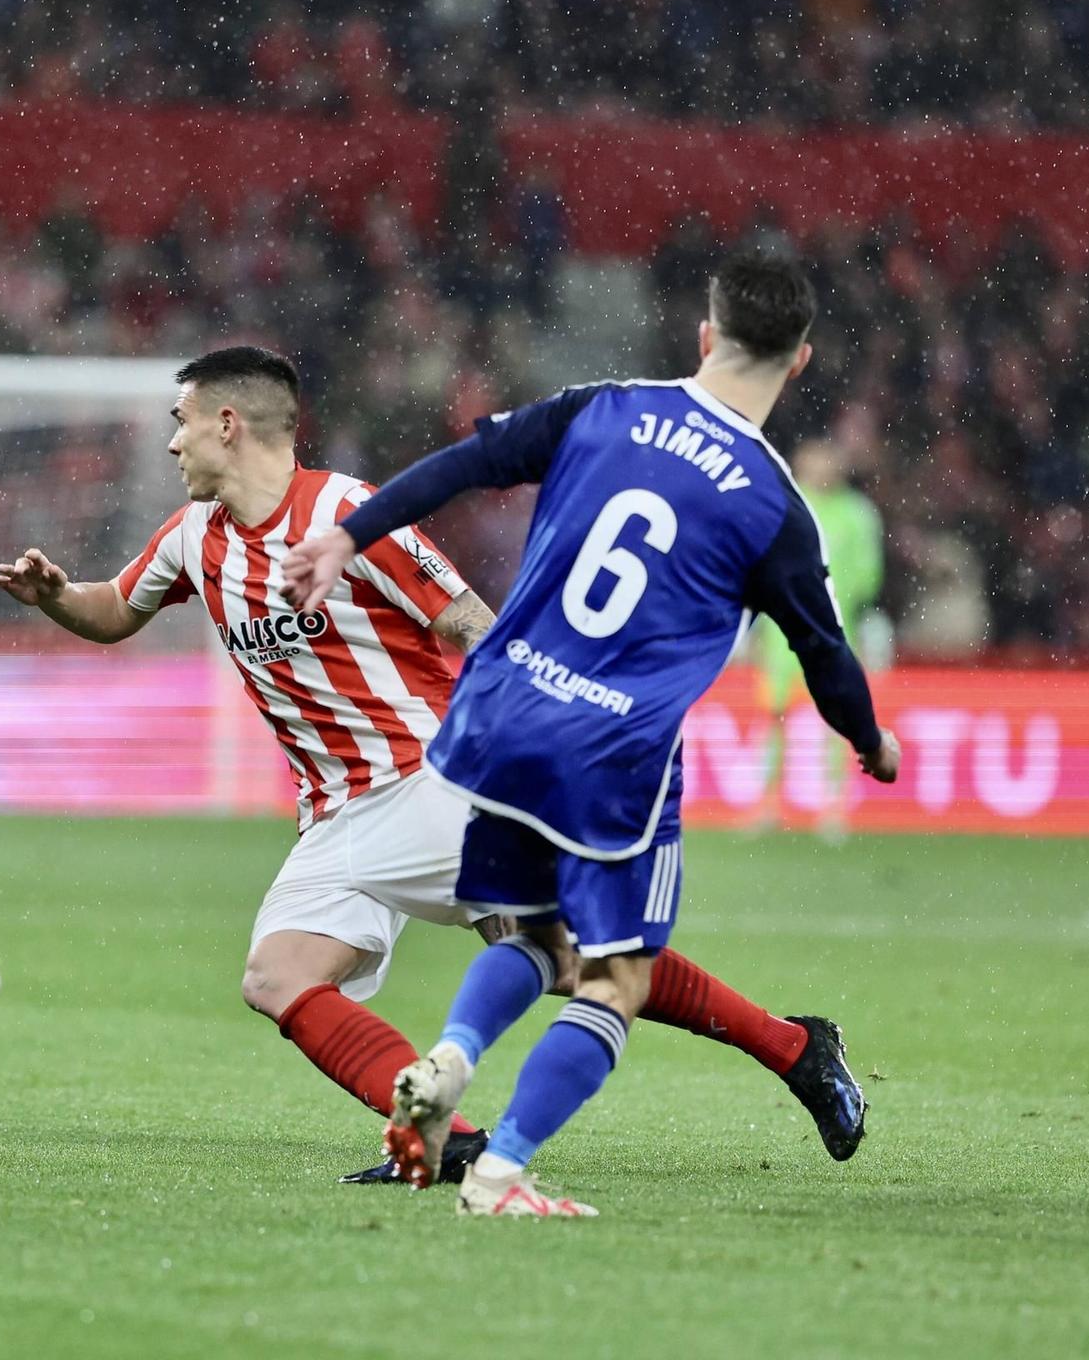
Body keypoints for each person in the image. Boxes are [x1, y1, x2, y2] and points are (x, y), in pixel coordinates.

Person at [0, 344, 870, 1184]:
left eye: (180, 420)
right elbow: (114, 610)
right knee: (277, 976)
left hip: (432, 782)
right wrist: (56, 595)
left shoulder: (346, 515)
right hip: (336, 813)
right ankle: (441, 1134)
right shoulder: (192, 539)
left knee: (571, 958)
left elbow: (470, 621)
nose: (171, 440)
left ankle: (796, 1049)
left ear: (229, 423)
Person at [283, 253, 901, 1217]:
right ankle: (500, 1172)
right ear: (800, 361)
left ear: (705, 336)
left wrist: (350, 536)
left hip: (498, 718)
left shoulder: (601, 407)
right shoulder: (773, 504)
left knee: (533, 932)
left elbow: (467, 463)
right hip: (613, 753)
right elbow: (823, 650)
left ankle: (449, 1059)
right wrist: (869, 741)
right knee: (617, 975)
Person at [752, 439, 885, 838]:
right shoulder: (786, 500)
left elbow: (868, 577)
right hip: (780, 633)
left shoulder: (858, 514)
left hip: (834, 630)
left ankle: (835, 807)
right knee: (773, 717)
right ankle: (767, 805)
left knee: (839, 719)